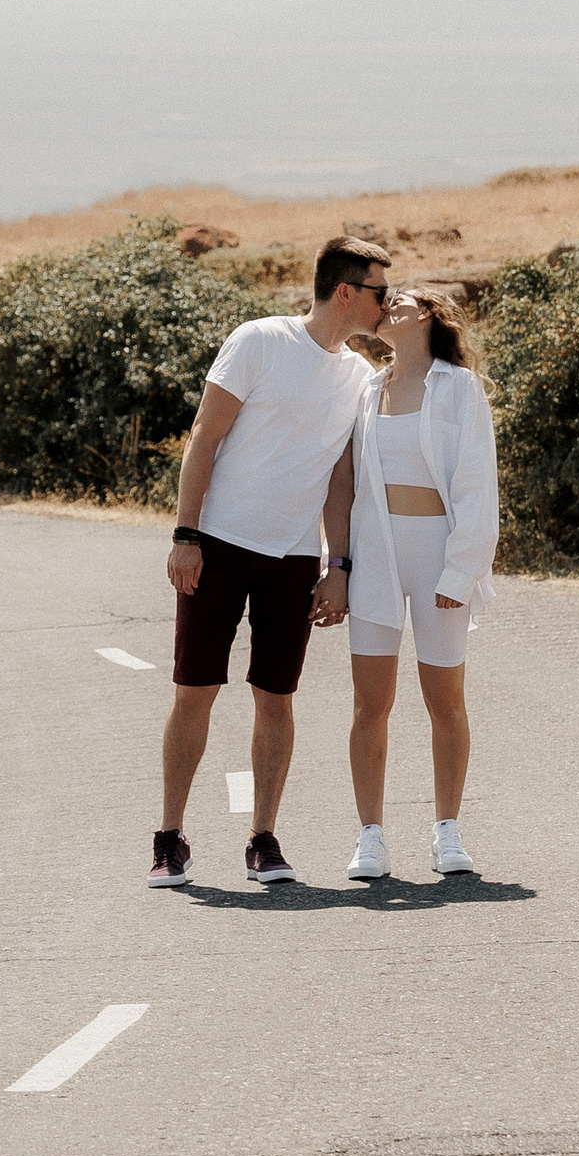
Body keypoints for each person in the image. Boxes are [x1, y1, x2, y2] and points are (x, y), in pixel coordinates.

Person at [150, 237, 390, 888]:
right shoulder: (259, 340)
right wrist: (184, 533)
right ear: (346, 291)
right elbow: (206, 433)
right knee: (195, 690)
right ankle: (169, 837)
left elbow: (341, 481)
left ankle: (263, 837)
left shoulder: (360, 378)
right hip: (219, 546)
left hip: (291, 560)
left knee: (275, 699)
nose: (385, 304)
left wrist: (338, 563)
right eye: (379, 291)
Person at [339, 286, 498, 880]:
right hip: (377, 555)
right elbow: (348, 483)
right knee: (369, 705)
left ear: (429, 313)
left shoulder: (458, 387)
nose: (387, 306)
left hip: (438, 555)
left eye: (399, 299)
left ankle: (447, 831)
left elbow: (478, 484)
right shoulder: (367, 388)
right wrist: (340, 566)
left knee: (444, 702)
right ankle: (370, 837)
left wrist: (462, 568)